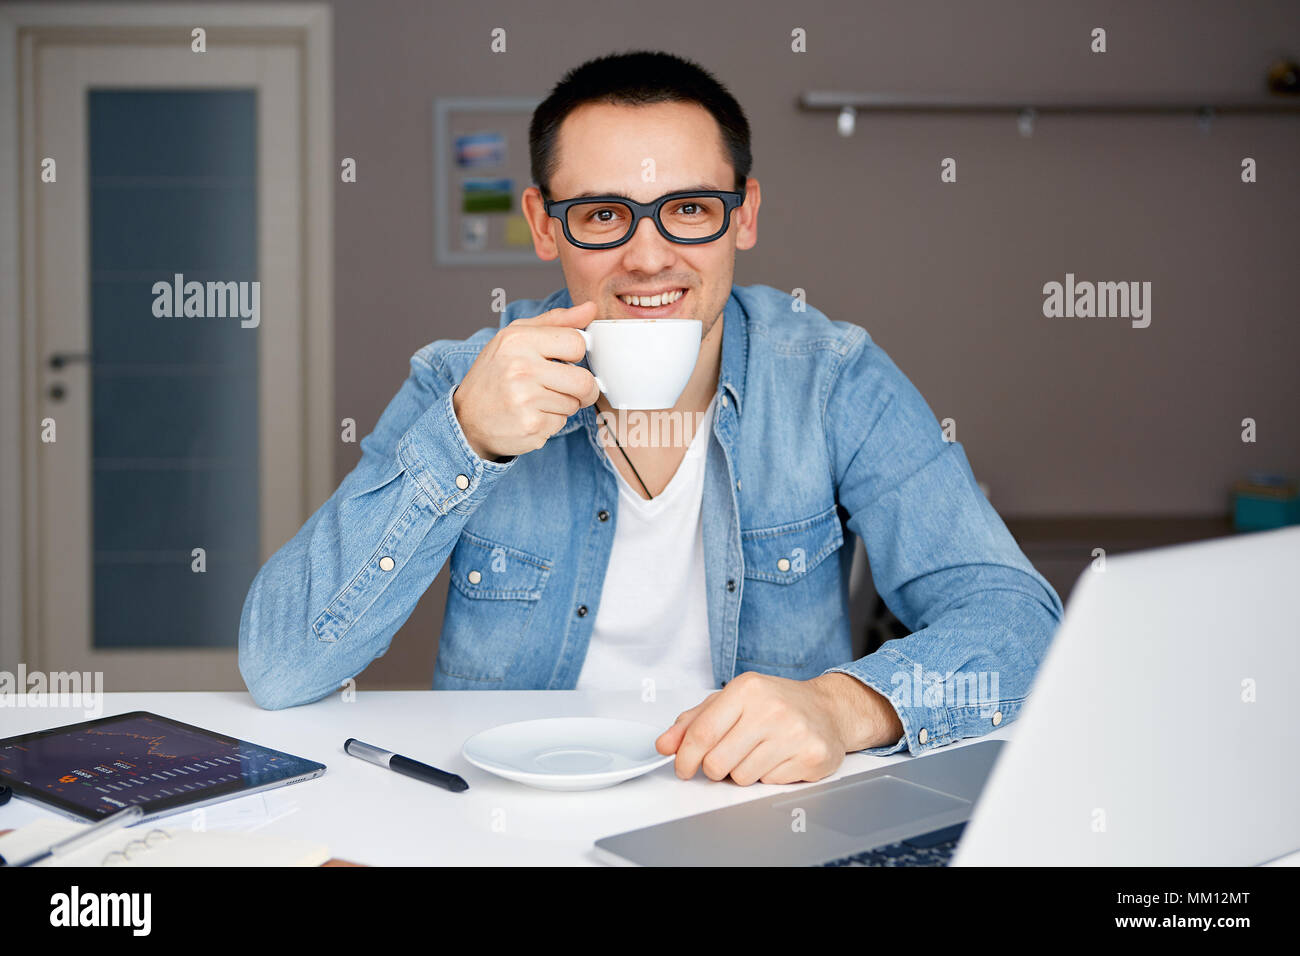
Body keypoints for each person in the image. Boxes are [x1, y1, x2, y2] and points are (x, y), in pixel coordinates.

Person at [238, 50, 1063, 787]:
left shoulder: (831, 378)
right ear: (540, 223)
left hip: (755, 816)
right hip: (498, 823)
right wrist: (465, 439)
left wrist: (840, 710)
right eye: (602, 215)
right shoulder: (461, 382)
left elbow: (1018, 623)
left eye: (690, 209)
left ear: (743, 214)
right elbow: (280, 667)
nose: (647, 256)